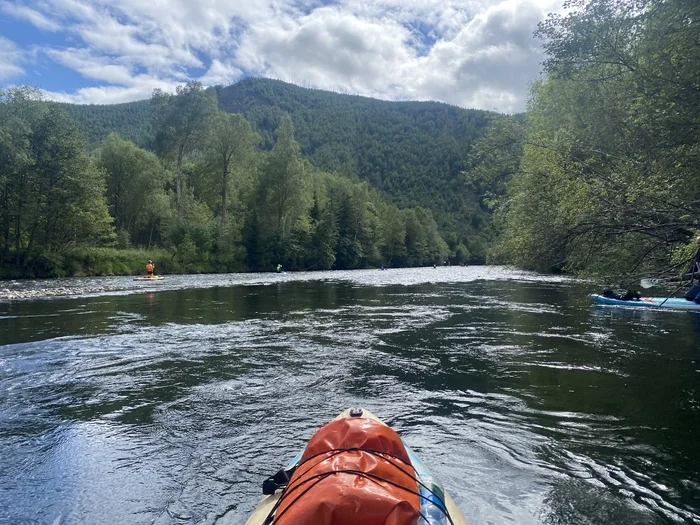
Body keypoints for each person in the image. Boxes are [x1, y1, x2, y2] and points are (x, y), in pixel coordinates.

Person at [684, 236, 700, 304]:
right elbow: (694, 267)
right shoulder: (698, 252)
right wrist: (686, 274)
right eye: (697, 243)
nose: (698, 245)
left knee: (698, 300)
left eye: (699, 243)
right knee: (688, 297)